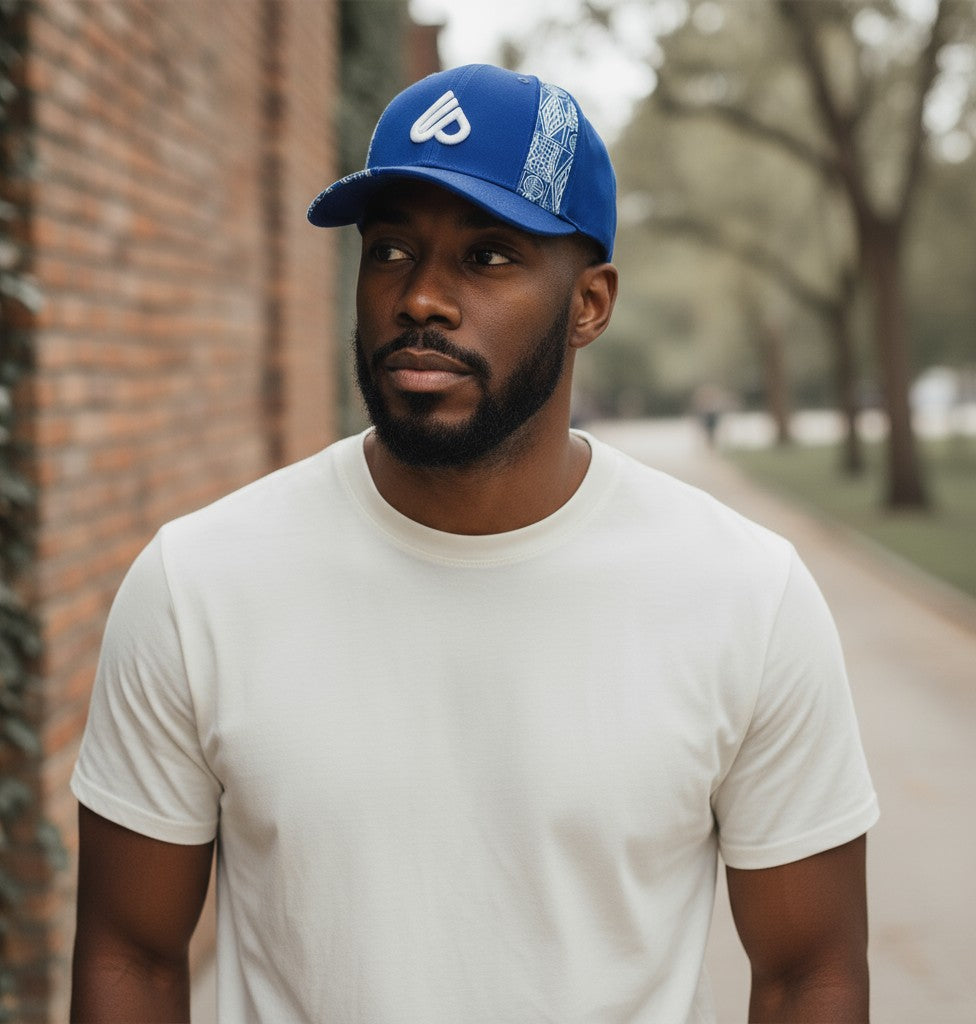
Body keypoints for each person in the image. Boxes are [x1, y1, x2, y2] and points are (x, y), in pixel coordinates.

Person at [70, 64, 878, 1023]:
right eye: (391, 251)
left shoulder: (745, 594)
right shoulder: (197, 582)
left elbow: (808, 974)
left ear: (590, 304)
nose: (422, 299)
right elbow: (132, 954)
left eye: (488, 256)